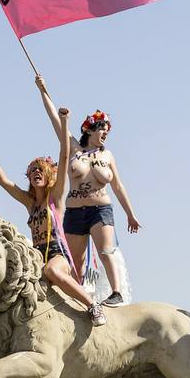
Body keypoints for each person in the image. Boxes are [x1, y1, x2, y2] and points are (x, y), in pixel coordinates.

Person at [0, 75, 106, 326]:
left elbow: (64, 152)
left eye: (41, 170)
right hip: (35, 255)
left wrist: (66, 122)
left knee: (52, 271)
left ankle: (93, 306)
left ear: (48, 176)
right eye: (32, 170)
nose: (36, 172)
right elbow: (5, 182)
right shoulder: (29, 202)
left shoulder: (55, 198)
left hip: (57, 253)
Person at [64, 108, 140, 307]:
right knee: (76, 265)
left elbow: (117, 185)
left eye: (107, 131)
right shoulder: (74, 149)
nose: (105, 133)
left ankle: (116, 293)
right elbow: (56, 121)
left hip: (100, 210)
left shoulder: (107, 156)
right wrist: (42, 90)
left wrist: (130, 214)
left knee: (106, 251)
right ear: (90, 130)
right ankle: (77, 299)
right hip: (74, 213)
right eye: (102, 129)